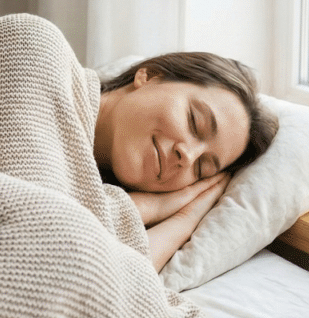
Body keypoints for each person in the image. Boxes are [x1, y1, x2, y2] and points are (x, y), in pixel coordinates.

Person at [94, 52, 278, 272]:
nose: (188, 156)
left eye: (202, 167)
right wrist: (148, 209)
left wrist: (182, 219)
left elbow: (107, 283)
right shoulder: (47, 62)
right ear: (150, 76)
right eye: (194, 121)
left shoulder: (93, 198)